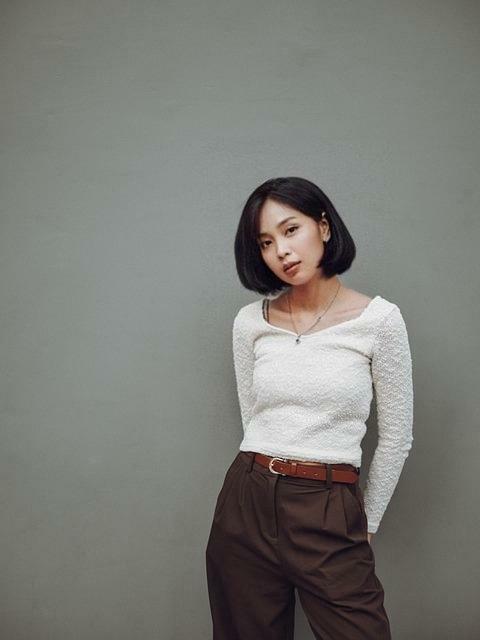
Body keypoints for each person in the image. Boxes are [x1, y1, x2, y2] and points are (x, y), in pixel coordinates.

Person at [205, 176, 414, 640]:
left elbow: (397, 436)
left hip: (328, 505)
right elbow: (253, 419)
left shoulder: (379, 321)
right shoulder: (249, 323)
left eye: (290, 229)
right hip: (246, 501)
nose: (281, 250)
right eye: (266, 242)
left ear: (323, 226)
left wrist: (366, 523)